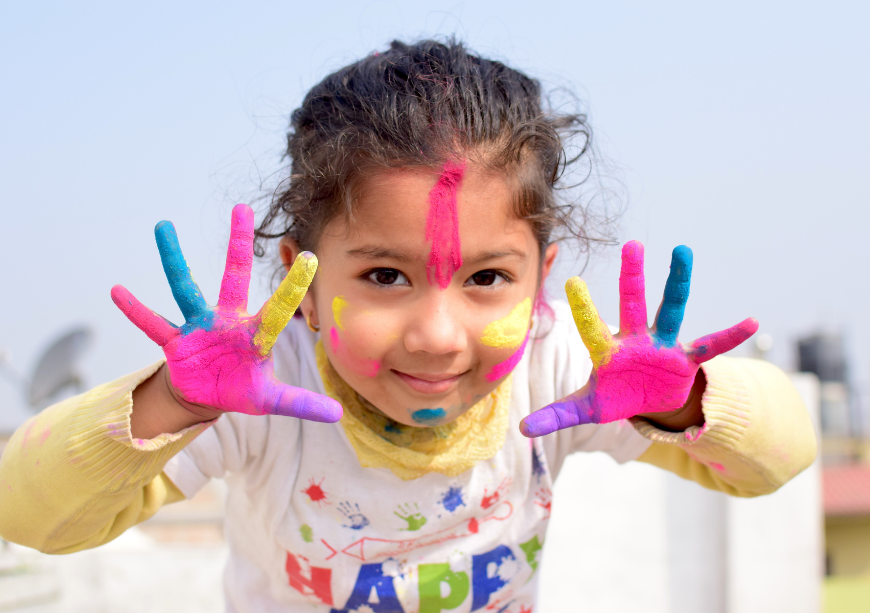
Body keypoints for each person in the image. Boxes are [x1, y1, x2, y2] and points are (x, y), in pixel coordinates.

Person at [0, 39, 816, 612]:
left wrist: (682, 405)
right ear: (302, 279)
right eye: (385, 276)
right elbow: (26, 513)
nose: (437, 334)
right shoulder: (261, 387)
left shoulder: (561, 372)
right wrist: (172, 401)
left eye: (487, 277)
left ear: (541, 280)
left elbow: (781, 456)